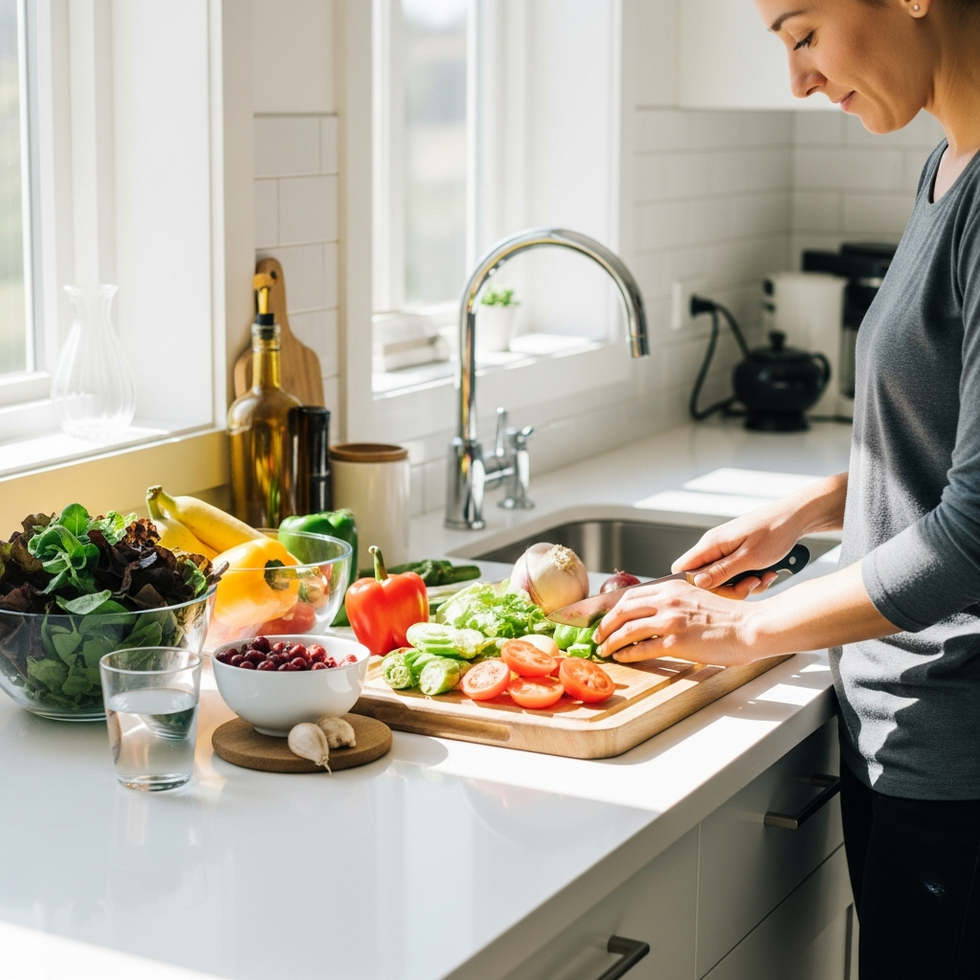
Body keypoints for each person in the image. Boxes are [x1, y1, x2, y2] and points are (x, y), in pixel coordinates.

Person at [592, 1, 980, 975]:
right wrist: (808, 509)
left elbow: (974, 530)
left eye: (800, 32)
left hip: (958, 764)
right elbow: (948, 439)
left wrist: (738, 630)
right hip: (902, 723)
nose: (797, 79)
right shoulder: (945, 166)